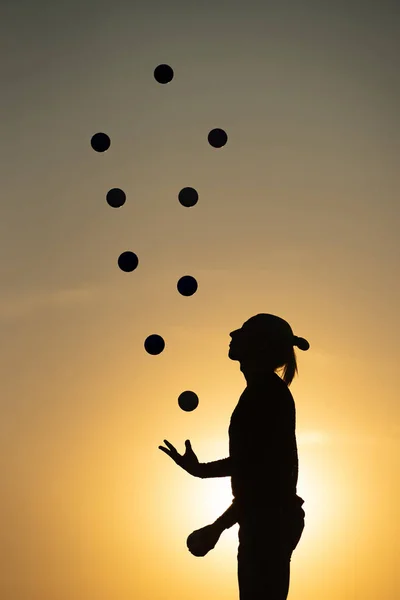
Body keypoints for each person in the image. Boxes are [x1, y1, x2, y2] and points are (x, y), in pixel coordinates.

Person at [159, 313, 310, 599]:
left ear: (260, 345)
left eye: (243, 331)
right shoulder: (263, 392)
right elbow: (255, 471)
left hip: (269, 524)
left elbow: (260, 475)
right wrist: (201, 474)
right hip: (267, 521)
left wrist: (216, 525)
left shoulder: (264, 394)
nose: (232, 334)